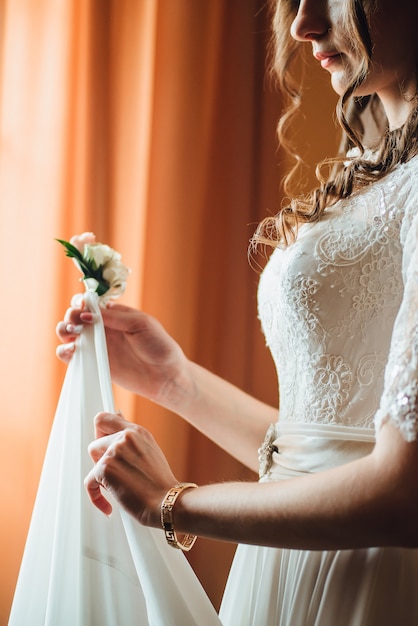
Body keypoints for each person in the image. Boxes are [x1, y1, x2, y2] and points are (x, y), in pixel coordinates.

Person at [56, 0, 418, 624]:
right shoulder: (373, 169)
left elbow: (406, 494)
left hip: (369, 581)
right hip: (291, 564)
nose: (304, 24)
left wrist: (174, 503)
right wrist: (177, 381)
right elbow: (324, 449)